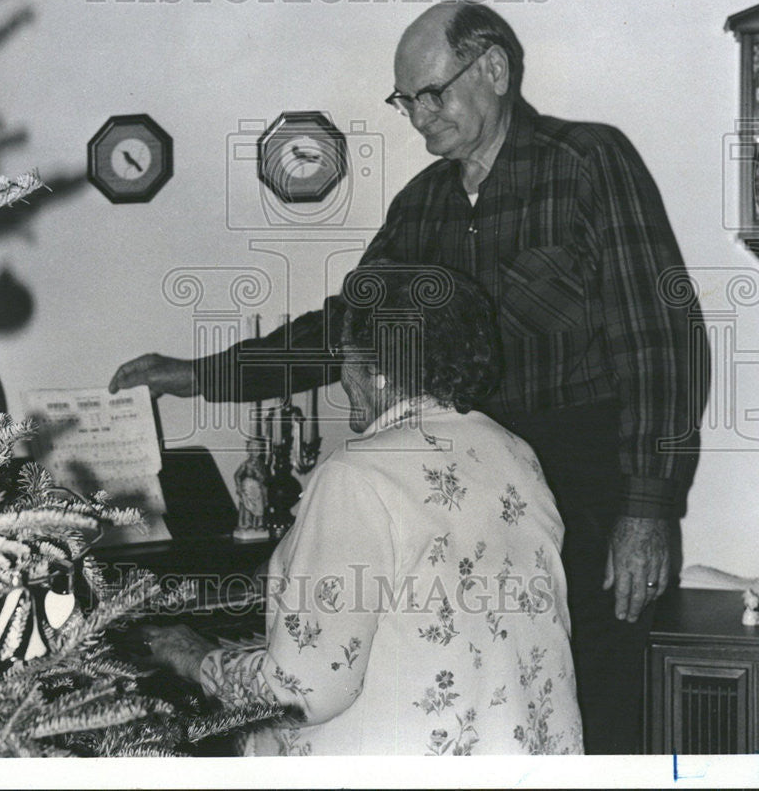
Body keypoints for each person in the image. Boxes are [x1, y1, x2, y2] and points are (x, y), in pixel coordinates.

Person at [111, 1, 708, 753]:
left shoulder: (587, 163)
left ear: (492, 68)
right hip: (458, 485)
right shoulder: (421, 204)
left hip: (584, 489)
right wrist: (201, 377)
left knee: (591, 697)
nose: (420, 117)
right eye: (406, 101)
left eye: (434, 93)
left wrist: (648, 509)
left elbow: (661, 343)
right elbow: (346, 330)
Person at [139, 264, 583, 756]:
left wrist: (198, 658)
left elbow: (300, 694)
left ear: (378, 371)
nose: (341, 377)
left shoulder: (356, 473)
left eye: (344, 358)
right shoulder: (516, 454)